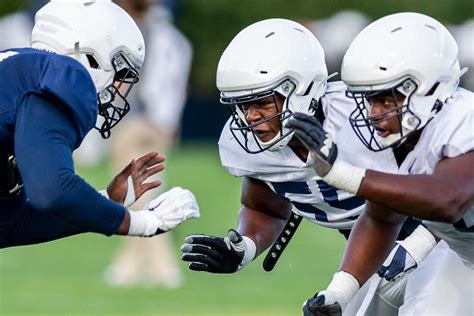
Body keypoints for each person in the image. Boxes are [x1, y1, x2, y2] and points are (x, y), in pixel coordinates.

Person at [179, 18, 435, 315]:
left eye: (261, 102)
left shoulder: (365, 118)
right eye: (242, 105)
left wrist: (417, 247)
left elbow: (447, 190)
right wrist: (245, 247)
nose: (250, 117)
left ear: (300, 90)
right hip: (377, 250)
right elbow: (267, 208)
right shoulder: (247, 146)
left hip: (443, 236)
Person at [287, 12, 473, 315]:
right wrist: (340, 292)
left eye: (386, 100)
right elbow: (381, 219)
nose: (374, 113)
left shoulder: (463, 118)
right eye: (370, 100)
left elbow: (449, 199)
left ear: (427, 88)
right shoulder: (405, 140)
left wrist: (342, 174)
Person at [0, 0, 199, 249]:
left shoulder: (20, 73)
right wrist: (145, 222)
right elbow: (51, 192)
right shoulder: (62, 76)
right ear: (92, 55)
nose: (117, 89)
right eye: (120, 72)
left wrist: (105, 201)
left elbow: (9, 226)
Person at [103, 0, 193, 288]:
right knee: (143, 195)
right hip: (147, 120)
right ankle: (130, 266)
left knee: (135, 195)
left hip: (144, 120)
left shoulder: (159, 39)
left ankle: (163, 268)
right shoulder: (174, 41)